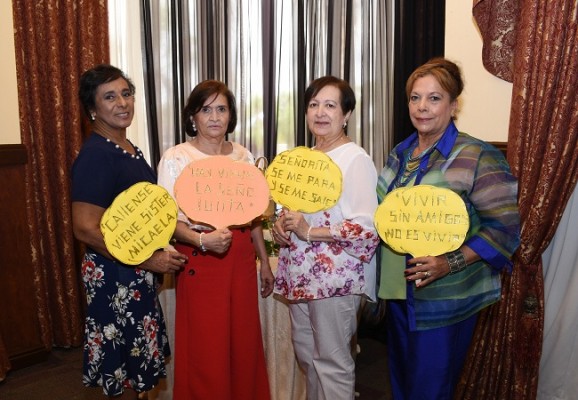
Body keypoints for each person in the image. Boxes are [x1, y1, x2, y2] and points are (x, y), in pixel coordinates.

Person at [376, 57, 521, 400]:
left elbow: (504, 229)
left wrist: (448, 263)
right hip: (398, 291)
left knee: (430, 390)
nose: (422, 107)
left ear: (454, 105)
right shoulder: (401, 152)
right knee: (402, 384)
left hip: (445, 298)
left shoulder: (477, 156)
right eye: (415, 97)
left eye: (434, 98)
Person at [71, 64, 186, 399]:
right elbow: (84, 227)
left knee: (137, 362)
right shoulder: (96, 154)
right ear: (93, 109)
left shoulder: (126, 147)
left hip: (132, 271)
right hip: (113, 275)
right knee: (121, 365)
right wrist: (149, 260)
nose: (122, 103)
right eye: (109, 97)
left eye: (126, 93)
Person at [157, 80, 273, 400]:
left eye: (221, 109)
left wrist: (263, 261)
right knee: (206, 344)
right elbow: (167, 221)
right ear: (192, 116)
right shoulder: (176, 158)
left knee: (243, 342)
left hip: (240, 259)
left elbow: (253, 218)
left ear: (231, 115)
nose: (214, 117)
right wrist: (201, 240)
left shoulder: (243, 156)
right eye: (205, 109)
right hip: (200, 258)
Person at [271, 76, 380, 400]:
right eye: (314, 104)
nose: (320, 112)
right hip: (299, 277)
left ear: (346, 114)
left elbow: (367, 229)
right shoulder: (301, 158)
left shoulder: (355, 159)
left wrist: (310, 231)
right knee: (307, 358)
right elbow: (294, 212)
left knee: (332, 363)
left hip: (336, 281)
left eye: (330, 105)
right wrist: (283, 224)